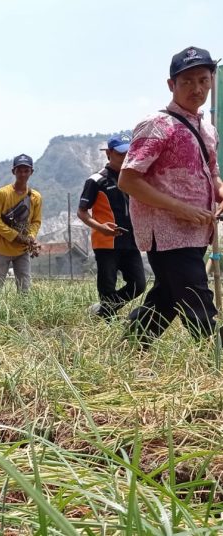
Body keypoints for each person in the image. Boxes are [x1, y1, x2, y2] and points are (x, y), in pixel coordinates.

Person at [119, 46, 222, 347]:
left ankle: (132, 345)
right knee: (197, 302)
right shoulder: (157, 125)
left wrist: (220, 193)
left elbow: (212, 173)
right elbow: (128, 178)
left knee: (166, 296)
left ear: (212, 80)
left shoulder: (208, 130)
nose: (197, 88)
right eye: (187, 81)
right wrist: (180, 208)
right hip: (167, 233)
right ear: (171, 85)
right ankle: (216, 358)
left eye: (203, 80)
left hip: (197, 230)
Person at [78, 134, 146, 318]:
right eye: (120, 154)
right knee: (107, 287)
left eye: (128, 154)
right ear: (109, 153)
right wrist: (101, 228)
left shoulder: (133, 179)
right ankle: (107, 323)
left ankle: (102, 311)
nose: (125, 158)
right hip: (106, 242)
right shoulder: (96, 180)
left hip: (131, 242)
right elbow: (82, 212)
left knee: (139, 284)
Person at [0, 154, 43, 293]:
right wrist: (16, 236)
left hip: (22, 250)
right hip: (2, 248)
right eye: (19, 170)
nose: (23, 174)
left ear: (31, 172)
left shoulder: (35, 197)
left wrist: (30, 237)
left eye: (26, 170)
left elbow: (36, 221)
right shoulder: (2, 194)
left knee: (24, 287)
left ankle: (24, 312)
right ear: (14, 171)